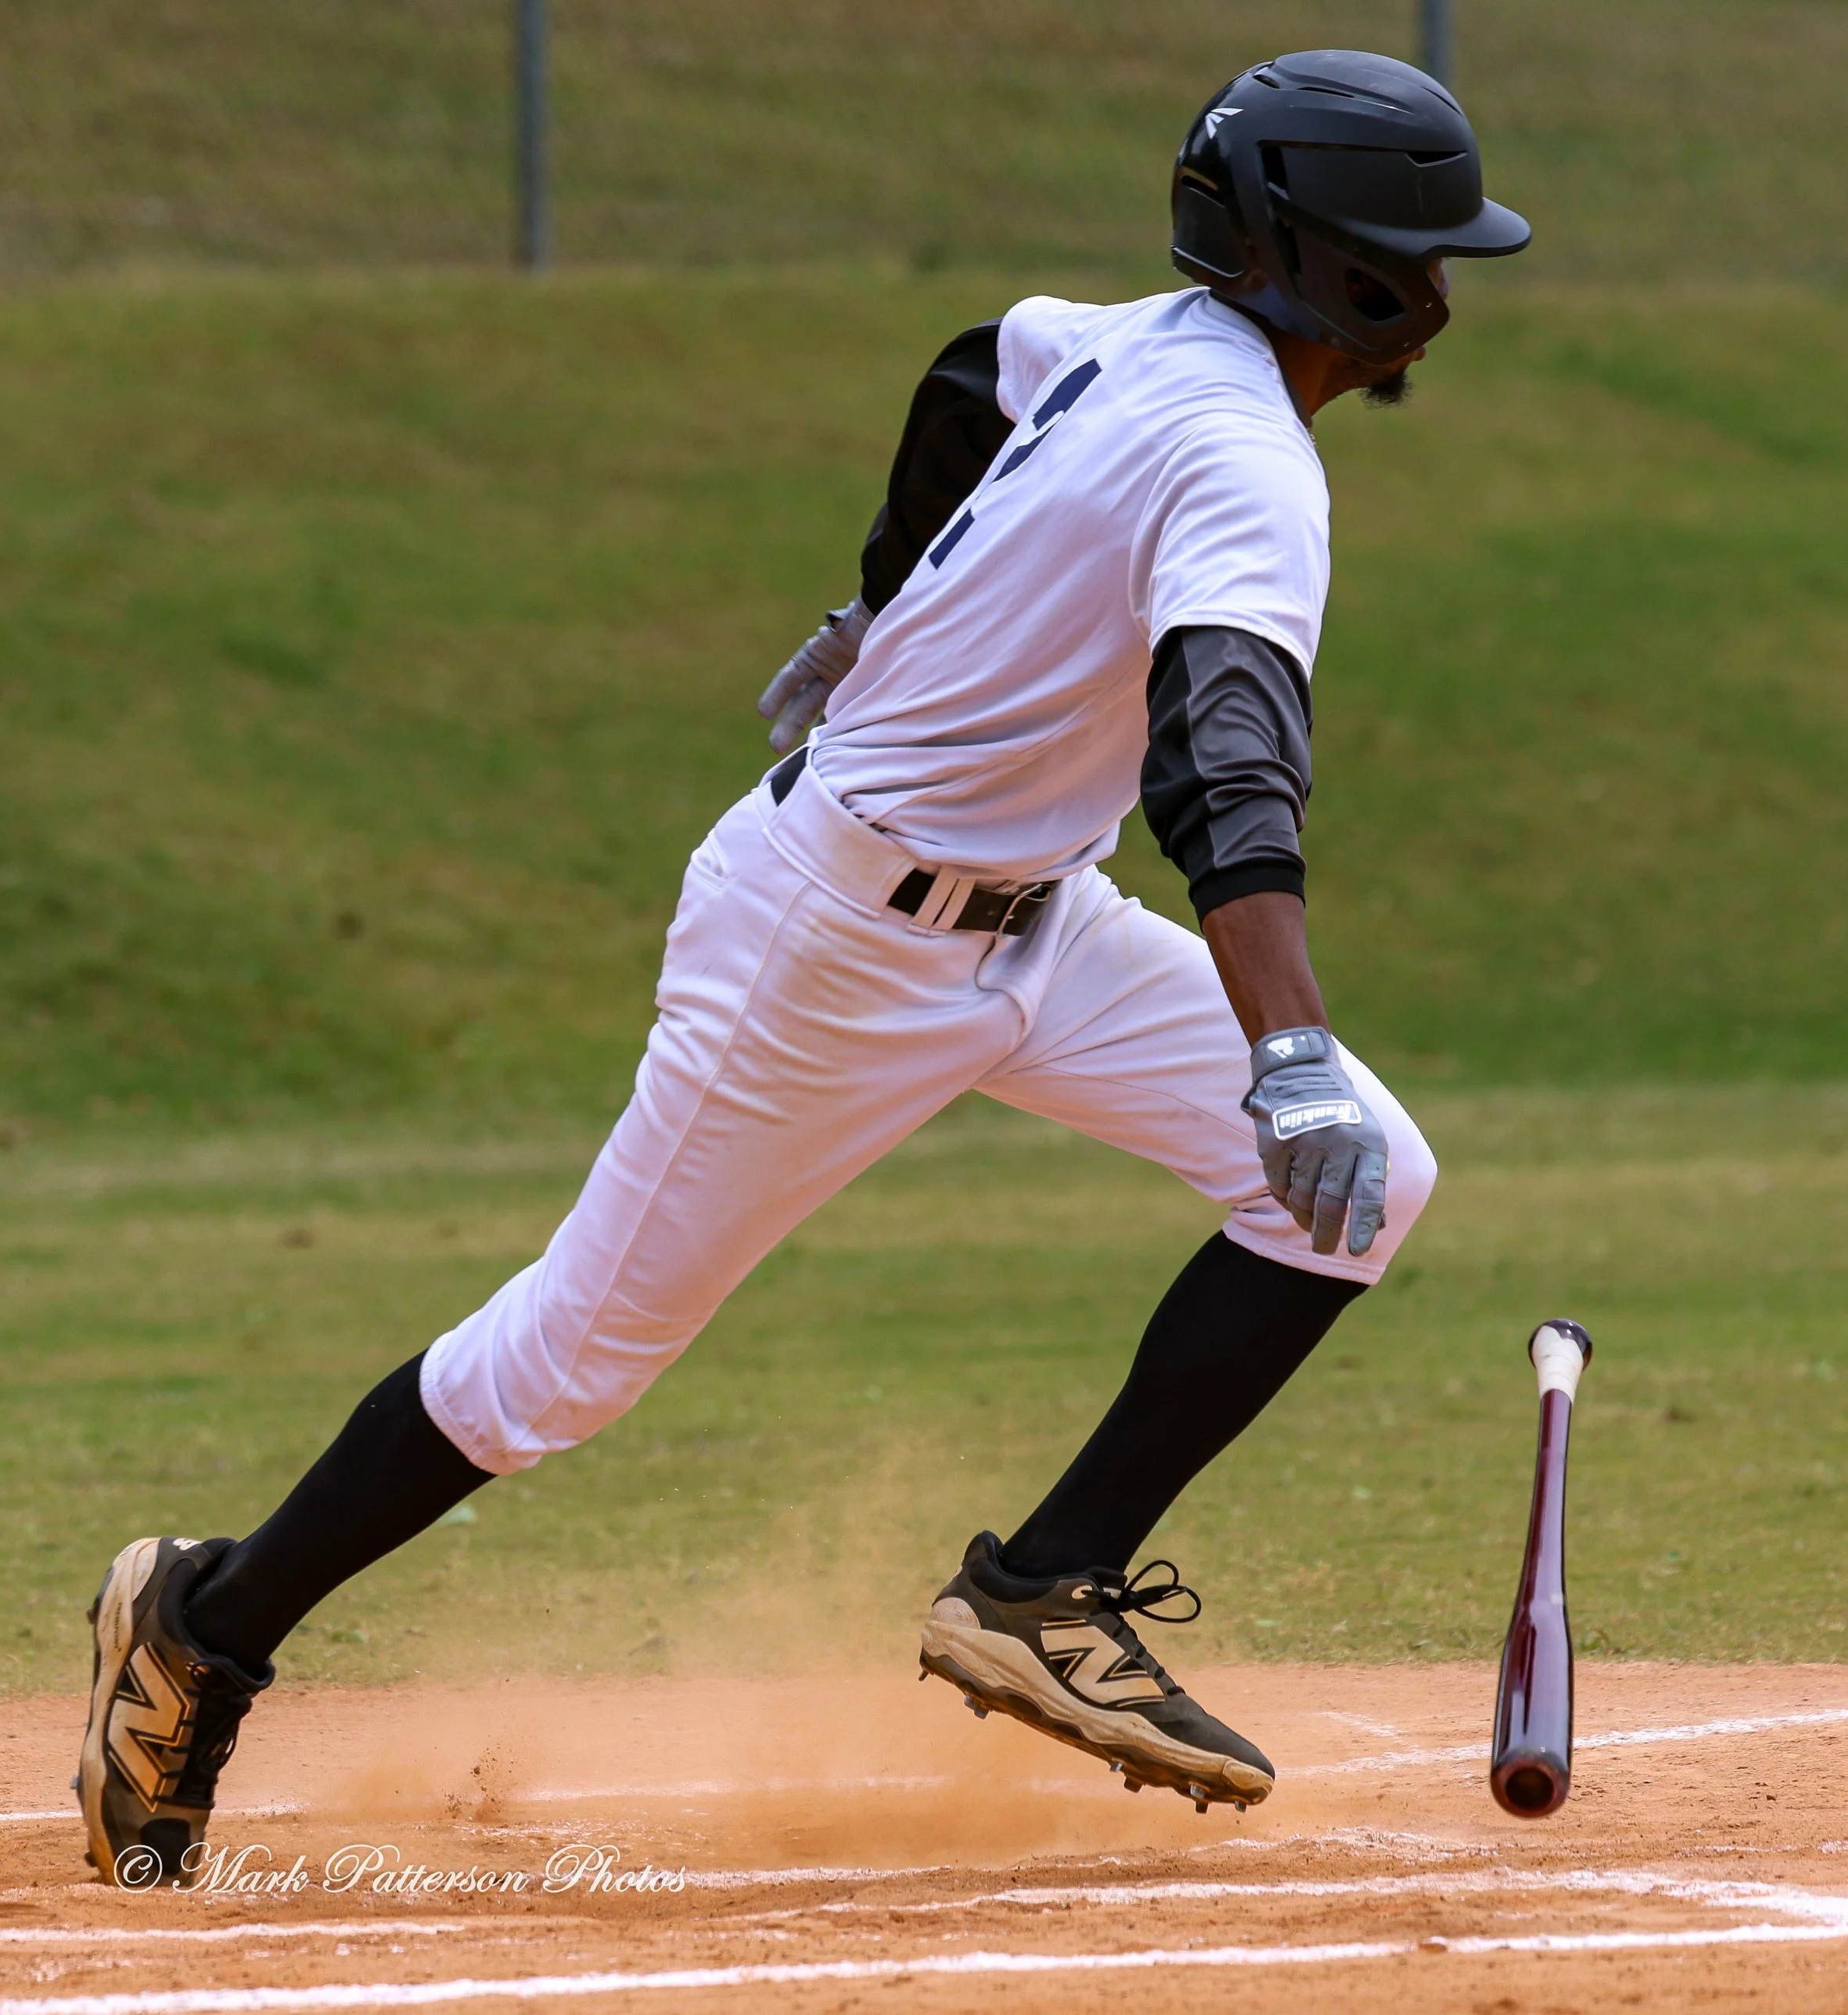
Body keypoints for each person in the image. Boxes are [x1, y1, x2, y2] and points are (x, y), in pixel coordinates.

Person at [75, 48, 1530, 1884]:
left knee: (1362, 1183)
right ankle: (202, 1624)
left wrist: (878, 599)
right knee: (560, 1371)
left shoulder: (1124, 342)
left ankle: (1041, 1587)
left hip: (1035, 918)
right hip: (828, 946)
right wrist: (1287, 1040)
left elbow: (964, 371)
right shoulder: (1244, 452)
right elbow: (1221, 750)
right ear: (1322, 259)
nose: (1446, 292)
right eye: (1420, 249)